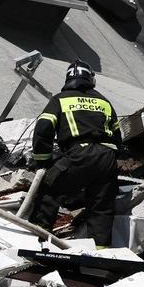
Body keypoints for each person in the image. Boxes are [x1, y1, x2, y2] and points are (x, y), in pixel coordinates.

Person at [29, 60, 121, 246]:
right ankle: (100, 250)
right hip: (107, 157)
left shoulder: (60, 100)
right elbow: (118, 135)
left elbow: (43, 128)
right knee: (101, 207)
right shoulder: (104, 102)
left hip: (80, 154)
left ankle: (36, 240)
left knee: (49, 189)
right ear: (90, 79)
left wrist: (43, 162)